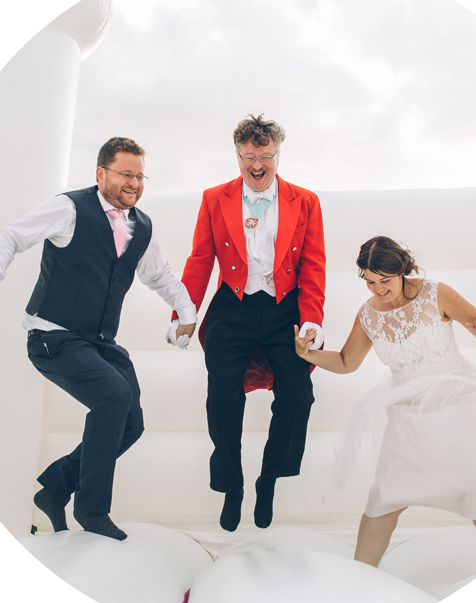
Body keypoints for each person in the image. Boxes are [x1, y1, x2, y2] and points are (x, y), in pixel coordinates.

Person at [0, 137, 197, 540]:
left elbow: (159, 274)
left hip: (99, 340)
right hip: (52, 337)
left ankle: (55, 490)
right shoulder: (70, 207)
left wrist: (187, 312)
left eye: (140, 176)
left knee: (131, 425)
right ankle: (92, 510)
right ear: (101, 173)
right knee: (113, 395)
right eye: (126, 174)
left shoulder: (140, 225)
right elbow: (10, 236)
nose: (135, 183)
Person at [294, 236, 476, 565]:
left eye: (385, 280)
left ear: (402, 270)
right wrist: (307, 354)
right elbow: (345, 362)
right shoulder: (368, 315)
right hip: (407, 417)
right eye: (370, 282)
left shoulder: (435, 293)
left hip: (455, 406)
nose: (378, 289)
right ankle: (359, 578)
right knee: (384, 498)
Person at [172, 114, 326, 531]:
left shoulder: (306, 201)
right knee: (222, 394)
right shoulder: (213, 198)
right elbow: (201, 260)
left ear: (277, 154)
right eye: (248, 157)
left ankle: (269, 478)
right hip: (233, 306)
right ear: (237, 155)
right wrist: (183, 313)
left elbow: (314, 265)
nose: (257, 166)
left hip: (285, 309)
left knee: (298, 395)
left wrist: (312, 319)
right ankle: (232, 484)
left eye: (265, 157)